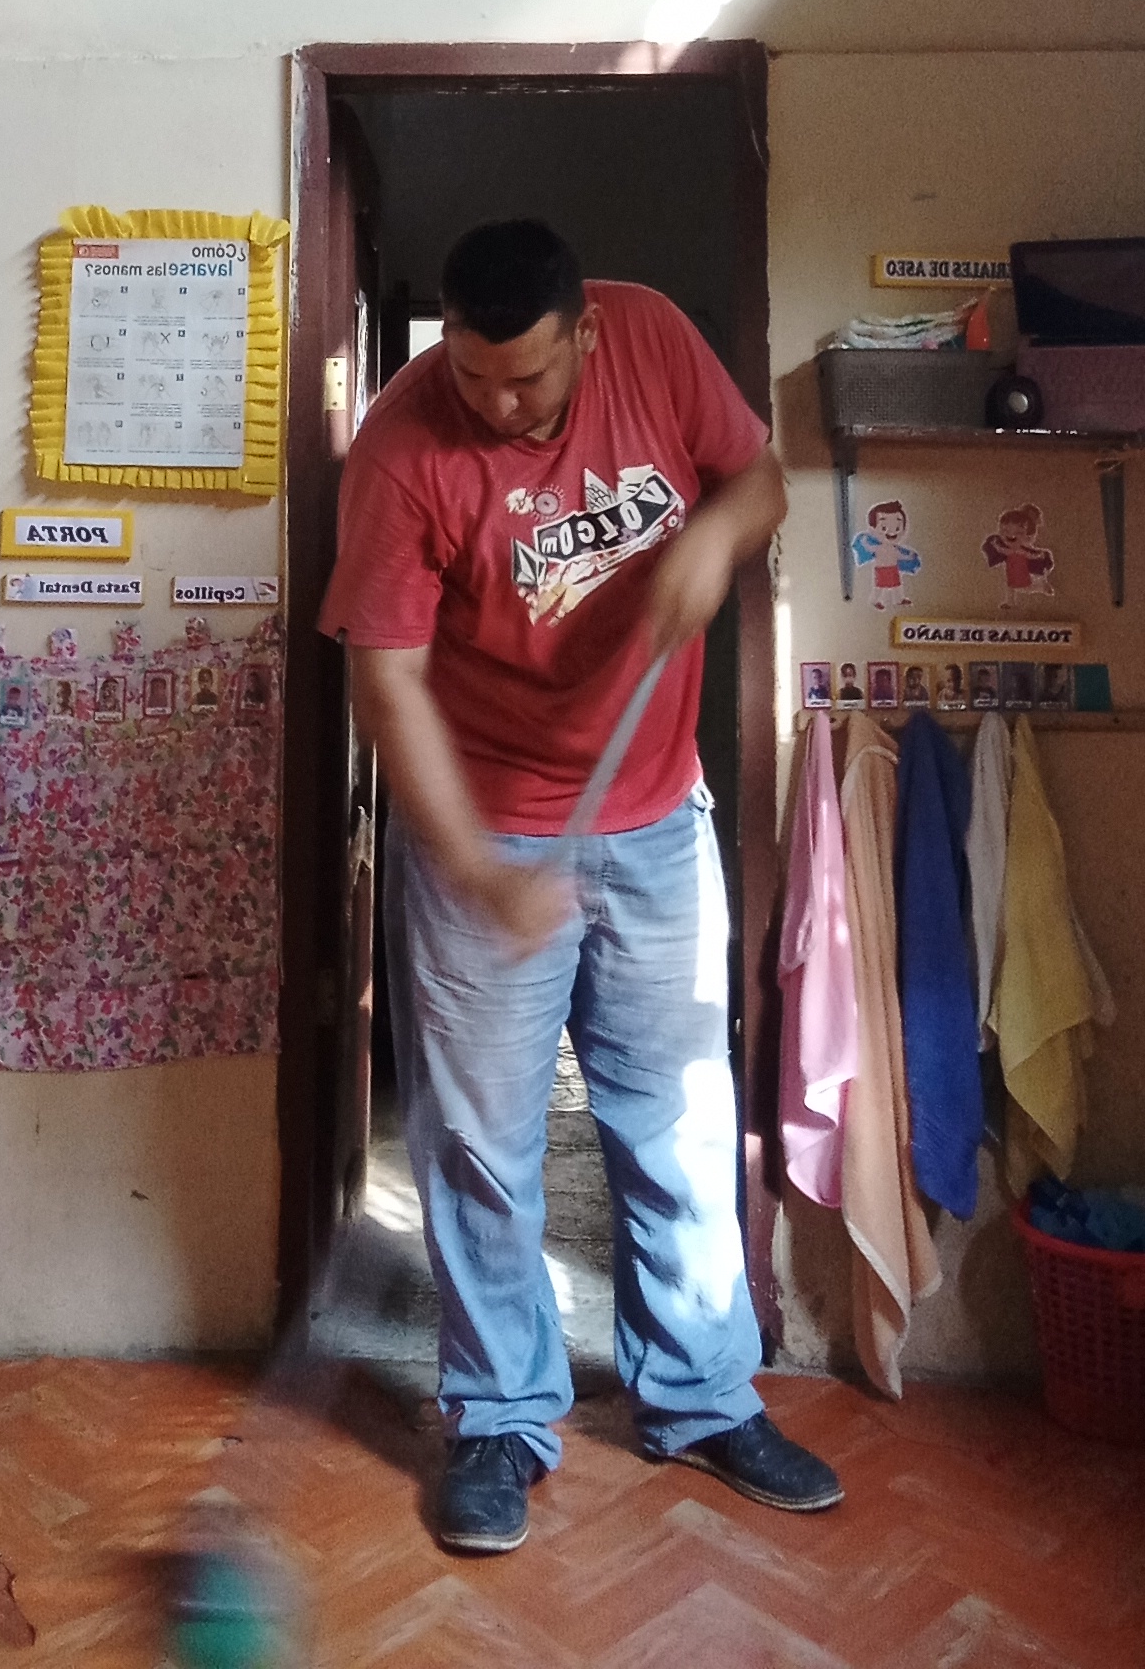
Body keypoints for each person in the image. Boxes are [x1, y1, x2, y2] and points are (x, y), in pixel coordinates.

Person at [320, 219, 841, 1556]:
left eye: (531, 381)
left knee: (678, 1119)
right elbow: (386, 686)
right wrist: (476, 866)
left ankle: (702, 1396)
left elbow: (759, 479)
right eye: (473, 376)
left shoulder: (652, 337)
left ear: (587, 336)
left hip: (658, 814)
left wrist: (712, 540)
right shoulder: (402, 448)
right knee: (481, 1146)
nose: (500, 407)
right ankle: (500, 1415)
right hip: (485, 829)